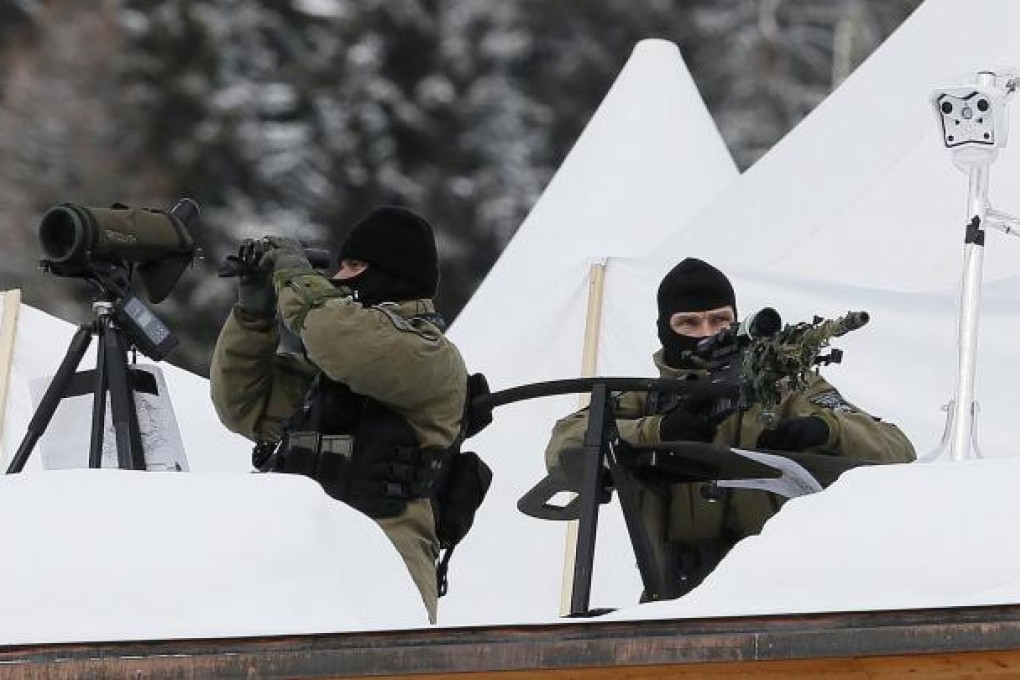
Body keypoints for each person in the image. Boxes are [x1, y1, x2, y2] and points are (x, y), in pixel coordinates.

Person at [544, 257, 916, 598]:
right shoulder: (643, 399)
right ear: (664, 330)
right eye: (688, 323)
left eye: (719, 320)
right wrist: (659, 430)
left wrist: (825, 430)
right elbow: (565, 447)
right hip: (672, 603)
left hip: (776, 597)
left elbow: (897, 449)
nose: (706, 332)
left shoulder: (785, 390)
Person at [209, 206, 469, 623]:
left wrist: (292, 276)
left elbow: (341, 336)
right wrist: (252, 313)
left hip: (382, 570)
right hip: (300, 574)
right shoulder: (331, 372)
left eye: (354, 265)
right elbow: (242, 406)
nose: (340, 277)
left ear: (394, 275)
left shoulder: (428, 355)